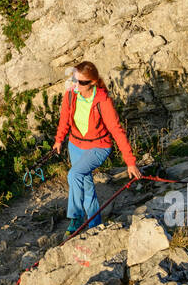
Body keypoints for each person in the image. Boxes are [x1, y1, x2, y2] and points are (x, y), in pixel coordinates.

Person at [52, 61, 140, 233]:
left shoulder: (102, 100)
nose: (75, 84)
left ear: (91, 83)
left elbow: (117, 131)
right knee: (85, 183)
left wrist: (130, 162)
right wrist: (58, 140)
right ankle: (95, 223)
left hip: (99, 147)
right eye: (74, 79)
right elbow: (64, 119)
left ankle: (76, 217)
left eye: (80, 82)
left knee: (75, 174)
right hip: (75, 144)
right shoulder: (70, 95)